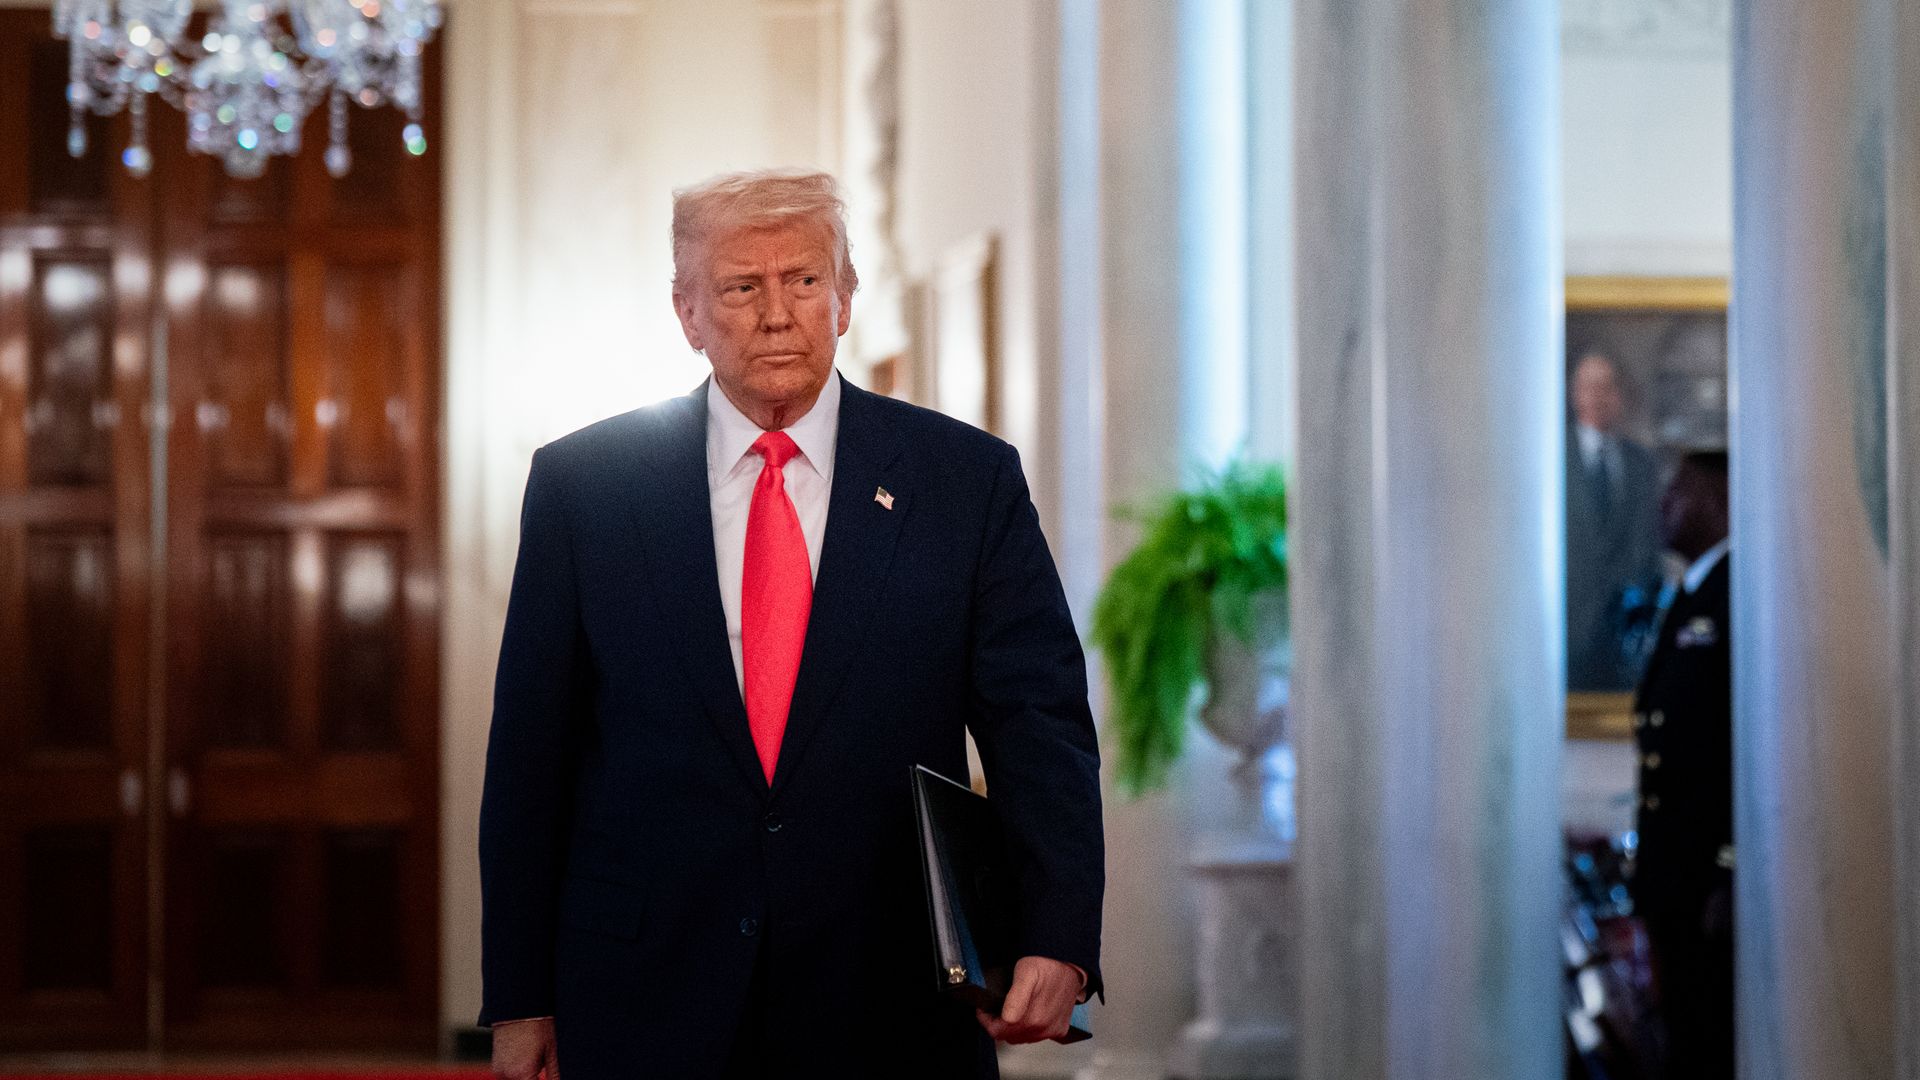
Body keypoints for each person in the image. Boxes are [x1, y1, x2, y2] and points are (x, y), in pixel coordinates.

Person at [477, 170, 1104, 1080]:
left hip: (890, 1001)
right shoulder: (586, 488)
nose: (779, 313)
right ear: (688, 314)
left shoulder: (965, 483)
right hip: (645, 993)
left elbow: (1038, 726)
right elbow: (531, 759)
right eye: (742, 287)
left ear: (845, 298)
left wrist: (1057, 935)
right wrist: (519, 996)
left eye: (805, 281)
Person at [1630, 450, 1732, 1079]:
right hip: (1673, 873)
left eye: (1681, 492)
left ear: (1718, 500)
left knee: (1710, 1042)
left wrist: (1730, 868)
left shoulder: (1735, 593)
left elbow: (1735, 744)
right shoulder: (1691, 592)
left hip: (1706, 878)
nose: (1666, 504)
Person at [1565, 352, 1663, 691]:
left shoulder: (1641, 463)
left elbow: (1651, 546)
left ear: (1619, 396)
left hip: (1625, 635)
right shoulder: (1551, 458)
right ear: (1574, 394)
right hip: (1568, 632)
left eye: (1607, 387)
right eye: (1590, 387)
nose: (1598, 397)